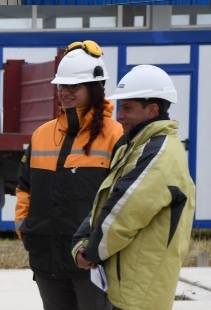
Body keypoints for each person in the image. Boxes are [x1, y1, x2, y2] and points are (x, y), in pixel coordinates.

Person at [72, 65, 196, 310]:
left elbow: (124, 214)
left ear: (152, 110)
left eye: (128, 108)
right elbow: (109, 199)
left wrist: (91, 252)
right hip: (129, 285)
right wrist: (82, 240)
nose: (119, 115)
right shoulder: (138, 145)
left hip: (141, 292)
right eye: (120, 107)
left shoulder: (160, 152)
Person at [15, 41, 125, 310]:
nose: (64, 92)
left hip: (91, 262)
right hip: (46, 258)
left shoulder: (116, 136)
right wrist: (24, 228)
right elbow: (24, 187)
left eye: (73, 87)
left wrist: (98, 248)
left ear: (95, 88)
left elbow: (122, 199)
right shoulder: (41, 134)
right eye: (61, 86)